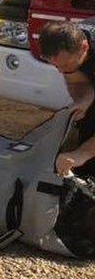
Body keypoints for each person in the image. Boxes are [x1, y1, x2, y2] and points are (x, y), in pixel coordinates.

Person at [38, 20, 95, 177]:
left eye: (66, 64)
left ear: (84, 47)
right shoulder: (69, 41)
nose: (61, 71)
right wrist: (83, 101)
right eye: (57, 66)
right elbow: (78, 81)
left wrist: (81, 154)